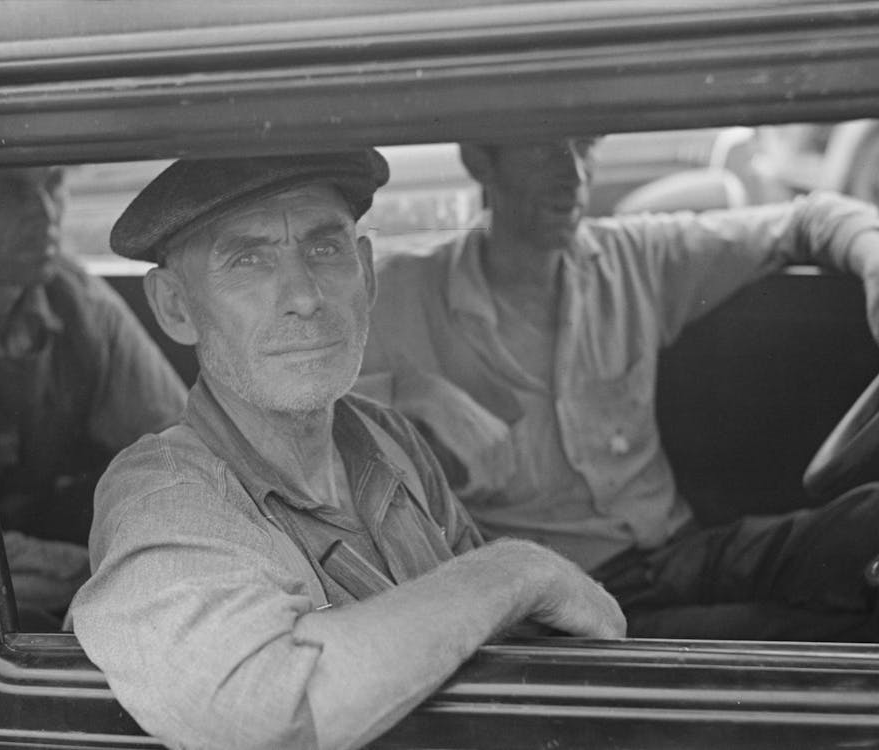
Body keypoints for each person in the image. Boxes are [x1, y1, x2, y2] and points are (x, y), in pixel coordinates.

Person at [69, 151, 625, 750]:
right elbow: (272, 715)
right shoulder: (163, 495)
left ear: (367, 273)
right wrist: (517, 569)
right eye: (249, 260)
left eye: (325, 248)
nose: (305, 296)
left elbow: (499, 642)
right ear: (176, 308)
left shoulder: (386, 436)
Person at [359, 136, 879, 643]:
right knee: (814, 638)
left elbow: (808, 219)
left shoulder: (633, 257)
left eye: (585, 147)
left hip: (682, 552)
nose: (575, 175)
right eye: (546, 150)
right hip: (566, 608)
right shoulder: (403, 293)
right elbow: (309, 384)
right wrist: (412, 393)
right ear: (478, 159)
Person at [0, 166, 187, 628]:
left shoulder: (77, 301)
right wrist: (94, 570)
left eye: (53, 183)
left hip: (27, 550)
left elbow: (177, 444)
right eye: (12, 189)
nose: (46, 212)